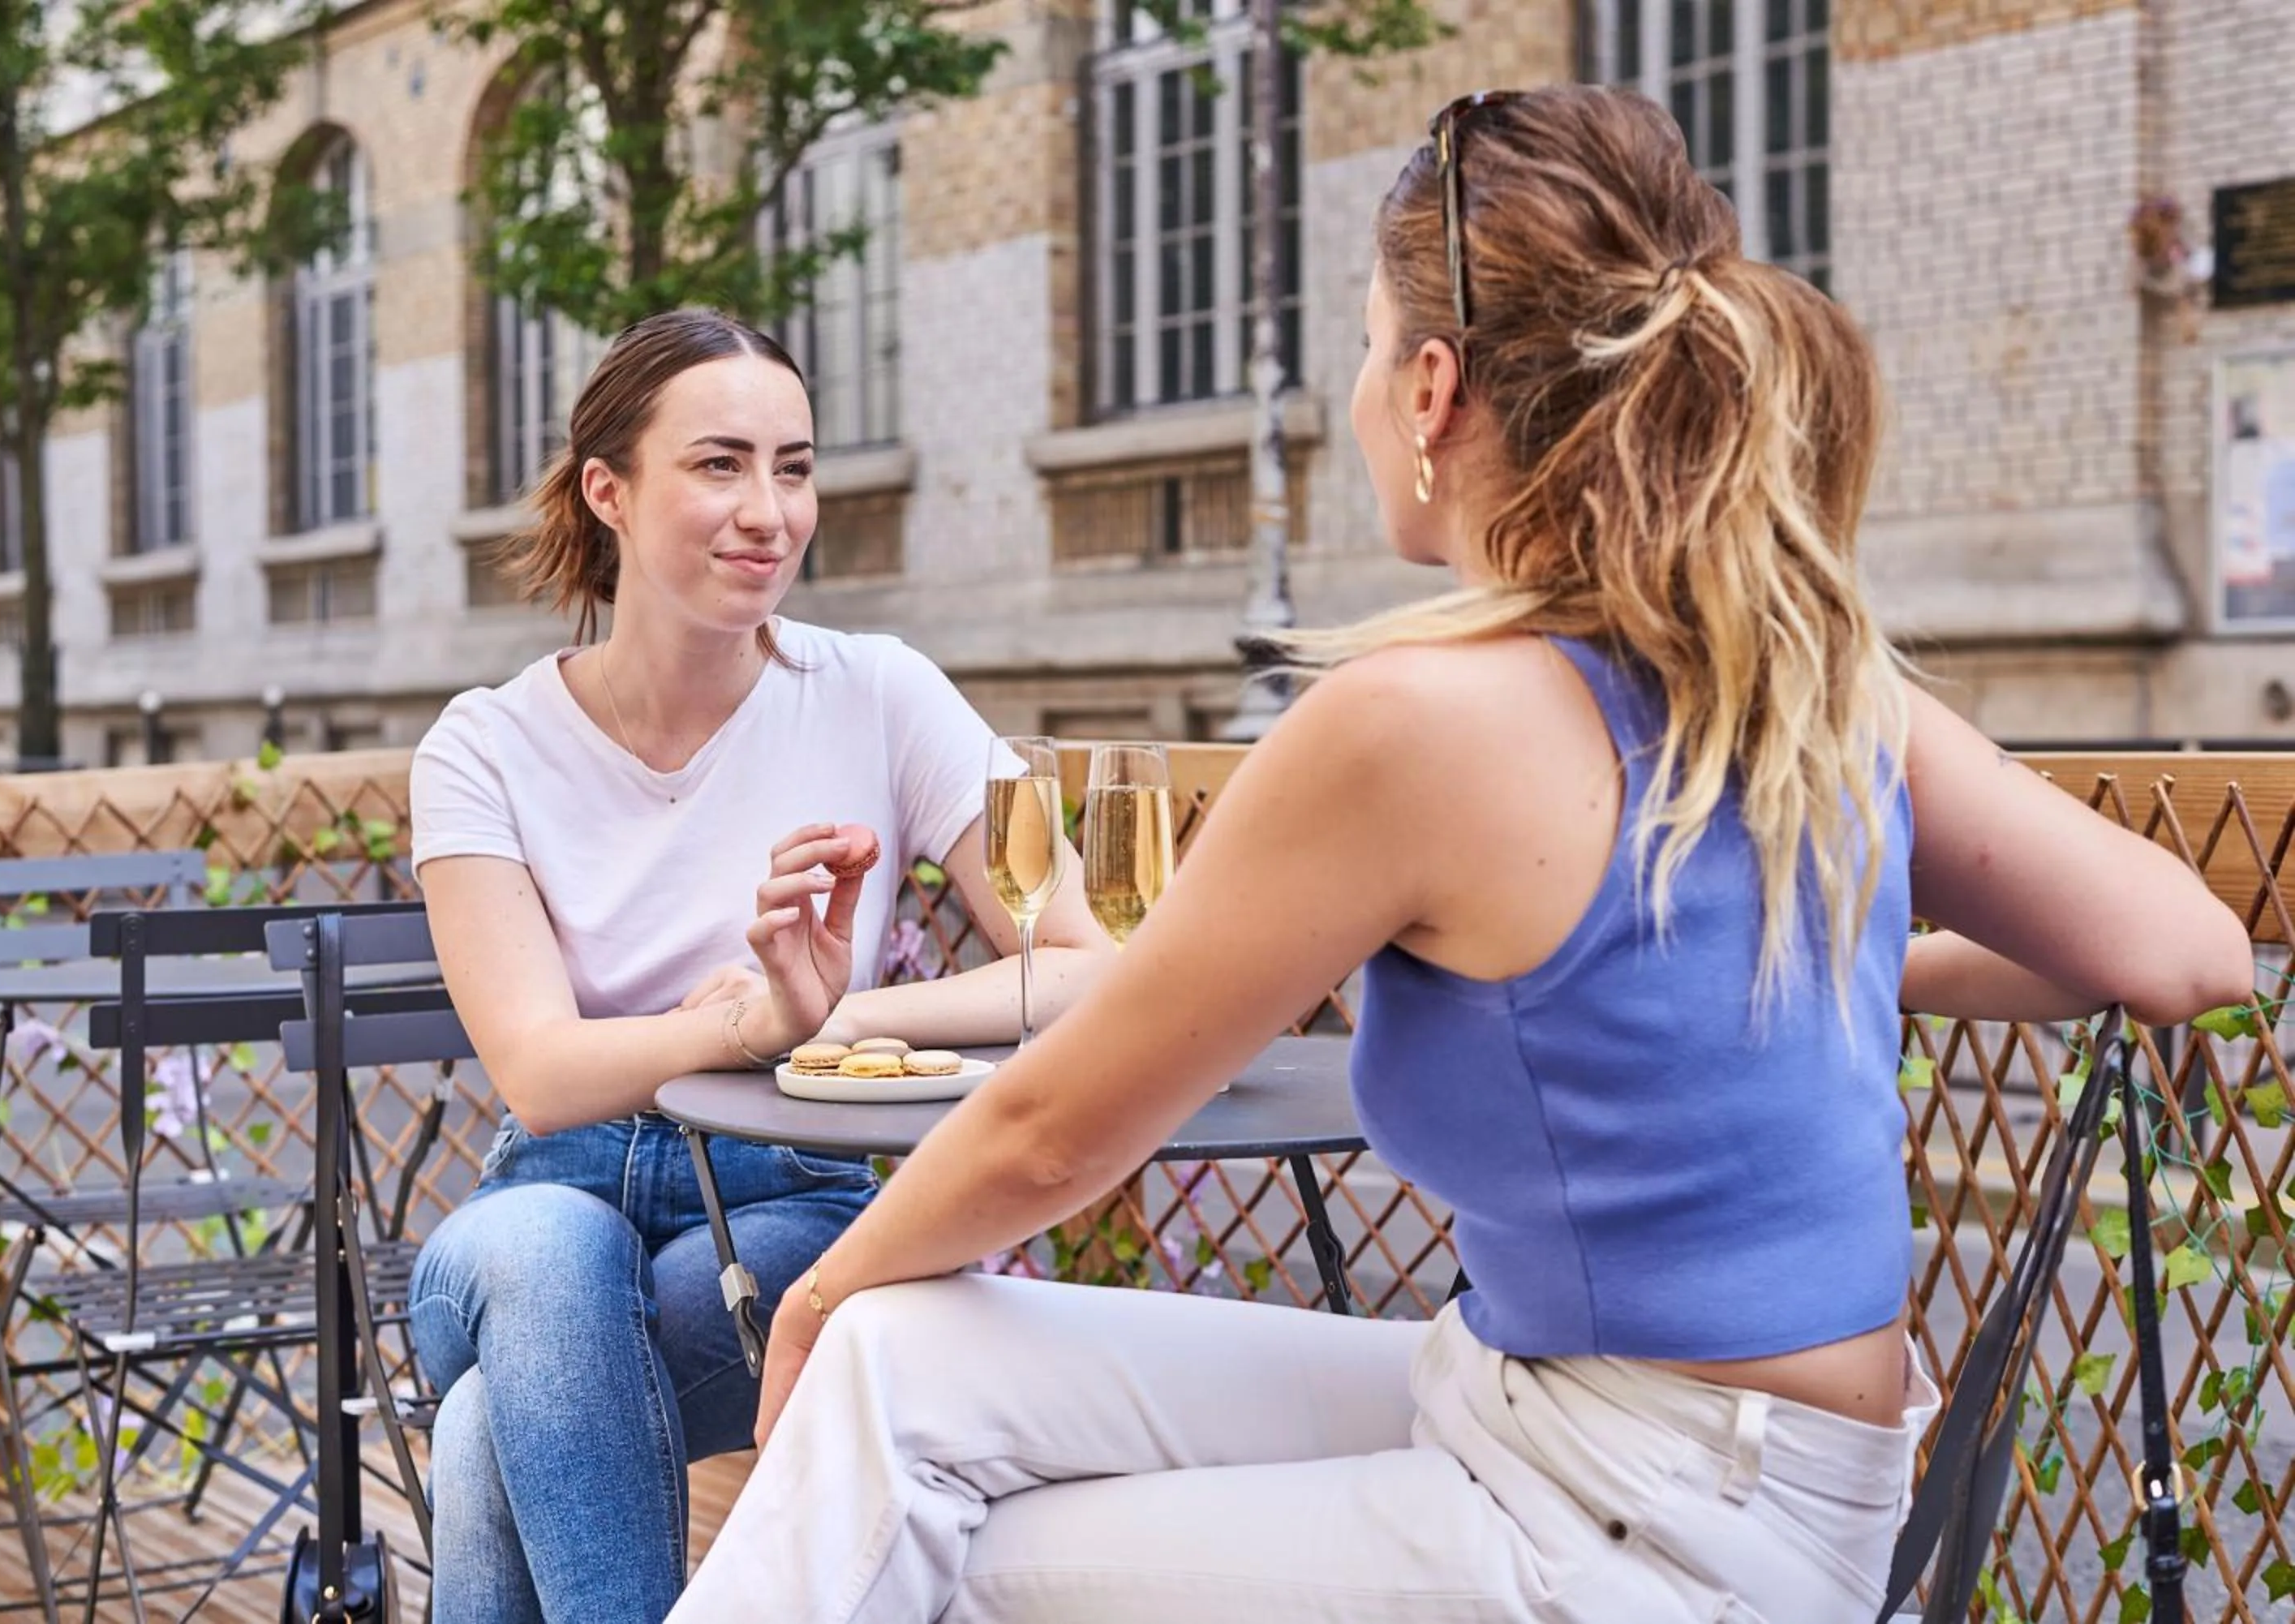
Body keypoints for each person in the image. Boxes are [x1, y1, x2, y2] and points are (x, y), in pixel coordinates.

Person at [669, 86, 2253, 1623]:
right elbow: (2185, 947)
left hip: (1665, 1525)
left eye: (1366, 350)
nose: (1364, 394)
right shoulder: (1809, 679)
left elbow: (1048, 1136)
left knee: (938, 1542)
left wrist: (808, 1295)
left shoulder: (1410, 724)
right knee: (903, 1365)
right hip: (1594, 1420)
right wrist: (1823, 954)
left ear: (1432, 389)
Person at [404, 307, 1111, 1623]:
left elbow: (1083, 961)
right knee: (551, 1261)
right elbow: (545, 1076)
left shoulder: (885, 694)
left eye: (793, 466)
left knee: (496, 1422)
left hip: (787, 1195)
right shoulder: (483, 747)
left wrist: (835, 1010)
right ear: (608, 490)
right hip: (540, 1198)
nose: (769, 511)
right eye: (720, 464)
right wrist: (746, 1016)